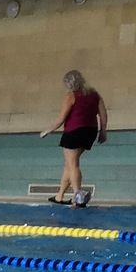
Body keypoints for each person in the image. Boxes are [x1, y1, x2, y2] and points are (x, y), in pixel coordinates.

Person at [41, 69, 107, 204]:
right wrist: (103, 131)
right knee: (69, 164)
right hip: (90, 132)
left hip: (74, 132)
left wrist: (47, 130)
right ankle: (59, 196)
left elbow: (61, 119)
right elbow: (103, 114)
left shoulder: (71, 96)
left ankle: (78, 196)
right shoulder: (94, 94)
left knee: (73, 164)